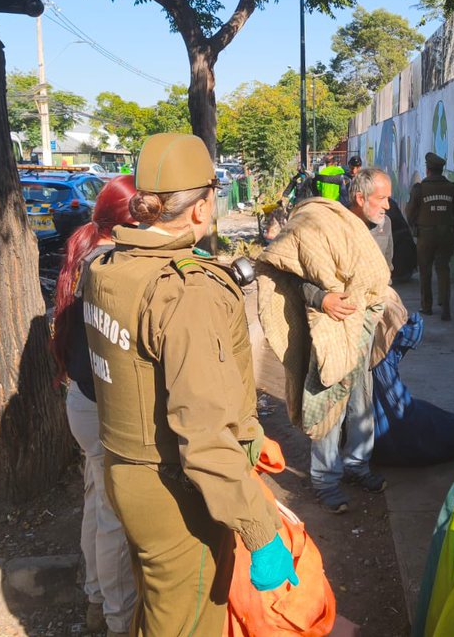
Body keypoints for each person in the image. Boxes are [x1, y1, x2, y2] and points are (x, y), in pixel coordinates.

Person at [82, 133, 295, 637]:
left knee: (158, 607)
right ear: (200, 209)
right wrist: (259, 532)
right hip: (175, 488)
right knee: (189, 621)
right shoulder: (185, 292)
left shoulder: (111, 266)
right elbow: (201, 435)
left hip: (125, 469)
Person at [50, 175, 138, 637]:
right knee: (114, 519)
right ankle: (117, 621)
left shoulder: (86, 252)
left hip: (81, 402)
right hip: (101, 405)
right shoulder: (107, 264)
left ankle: (94, 599)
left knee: (95, 502)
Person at [299, 168, 393, 512]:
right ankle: (325, 479)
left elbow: (386, 271)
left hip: (365, 327)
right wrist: (320, 298)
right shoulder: (324, 226)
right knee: (330, 402)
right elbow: (297, 274)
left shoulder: (383, 226)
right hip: (332, 327)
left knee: (361, 401)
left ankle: (357, 465)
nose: (387, 206)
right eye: (381, 199)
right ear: (360, 198)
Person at [406, 152, 454, 321]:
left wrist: (414, 227)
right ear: (441, 170)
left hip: (426, 235)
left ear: (427, 169)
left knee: (425, 271)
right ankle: (445, 307)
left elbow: (410, 212)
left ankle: (427, 306)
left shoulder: (420, 189)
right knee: (443, 269)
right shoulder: (452, 188)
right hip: (446, 234)